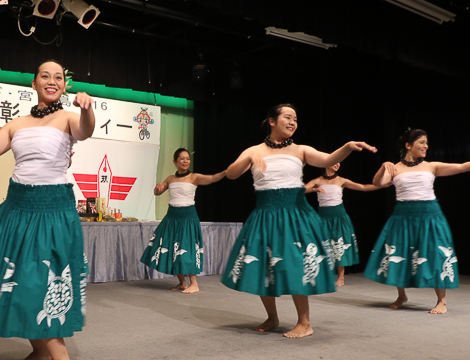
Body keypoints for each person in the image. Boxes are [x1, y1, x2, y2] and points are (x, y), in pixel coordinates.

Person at [0, 60, 94, 360]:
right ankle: (41, 351)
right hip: (16, 208)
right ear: (34, 83)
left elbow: (86, 130)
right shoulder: (17, 124)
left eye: (59, 77)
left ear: (65, 86)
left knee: (39, 281)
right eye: (46, 75)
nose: (52, 80)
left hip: (51, 210)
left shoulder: (69, 118)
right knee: (12, 279)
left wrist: (86, 109)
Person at [221, 104, 376, 338]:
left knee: (295, 265)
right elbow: (231, 174)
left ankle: (305, 322)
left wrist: (346, 147)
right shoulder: (253, 150)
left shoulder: (300, 150)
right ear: (272, 121)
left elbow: (329, 158)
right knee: (265, 265)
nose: (293, 122)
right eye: (287, 117)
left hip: (293, 214)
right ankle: (272, 317)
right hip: (265, 214)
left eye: (295, 119)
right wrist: (250, 157)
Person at [364, 129, 468, 314]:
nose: (426, 146)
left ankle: (441, 301)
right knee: (401, 253)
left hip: (429, 215)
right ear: (408, 145)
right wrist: (383, 167)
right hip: (403, 216)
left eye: (426, 143)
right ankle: (402, 295)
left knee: (436, 254)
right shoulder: (395, 168)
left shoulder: (431, 166)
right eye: (422, 142)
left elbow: (462, 166)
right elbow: (378, 183)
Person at [140, 148, 226, 293]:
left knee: (187, 249)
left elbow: (211, 178)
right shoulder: (170, 179)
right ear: (175, 161)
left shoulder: (194, 177)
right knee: (173, 247)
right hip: (172, 217)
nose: (185, 161)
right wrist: (158, 188)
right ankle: (182, 283)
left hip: (188, 217)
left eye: (187, 158)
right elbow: (157, 192)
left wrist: (225, 173)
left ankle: (194, 283)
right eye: (182, 158)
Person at [305, 163, 386, 286]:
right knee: (323, 246)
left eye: (339, 162)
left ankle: (341, 277)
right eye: (335, 161)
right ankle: (323, 276)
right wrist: (314, 189)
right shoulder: (318, 181)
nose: (337, 164)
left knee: (339, 245)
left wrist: (381, 186)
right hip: (323, 217)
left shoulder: (341, 180)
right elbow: (303, 190)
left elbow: (363, 187)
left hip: (339, 217)